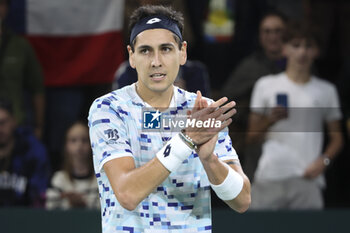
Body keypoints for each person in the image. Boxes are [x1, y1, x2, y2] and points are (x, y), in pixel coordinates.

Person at [88, 5, 251, 233]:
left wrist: (210, 160)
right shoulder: (109, 109)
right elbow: (127, 194)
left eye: (165, 49)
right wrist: (186, 141)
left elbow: (242, 200)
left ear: (182, 52)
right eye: (145, 51)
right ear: (131, 56)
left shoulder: (203, 112)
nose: (156, 61)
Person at [247, 21, 343, 210]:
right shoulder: (265, 85)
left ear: (316, 51)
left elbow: (337, 138)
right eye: (296, 45)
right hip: (269, 176)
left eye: (308, 46)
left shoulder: (326, 90)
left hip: (308, 178)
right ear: (284, 49)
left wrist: (323, 162)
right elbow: (250, 137)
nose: (302, 52)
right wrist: (269, 120)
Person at [221, 11, 287, 180]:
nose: (272, 36)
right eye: (267, 31)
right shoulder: (249, 67)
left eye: (277, 31)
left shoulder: (300, 66)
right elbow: (226, 102)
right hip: (257, 144)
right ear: (260, 36)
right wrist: (247, 119)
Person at [0, 0, 45, 139]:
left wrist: (39, 126)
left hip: (16, 126)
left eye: (1, 4)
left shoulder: (20, 45)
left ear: (7, 8)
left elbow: (37, 88)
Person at [0, 98, 50, 207]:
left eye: (3, 122)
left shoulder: (32, 150)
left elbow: (39, 195)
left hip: (25, 218)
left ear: (14, 121)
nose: (0, 129)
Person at [46, 121, 99, 210]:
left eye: (84, 140)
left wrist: (83, 204)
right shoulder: (59, 179)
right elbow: (49, 210)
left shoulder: (100, 179)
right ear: (66, 145)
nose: (79, 145)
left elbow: (107, 210)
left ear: (92, 144)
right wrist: (69, 203)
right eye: (73, 140)